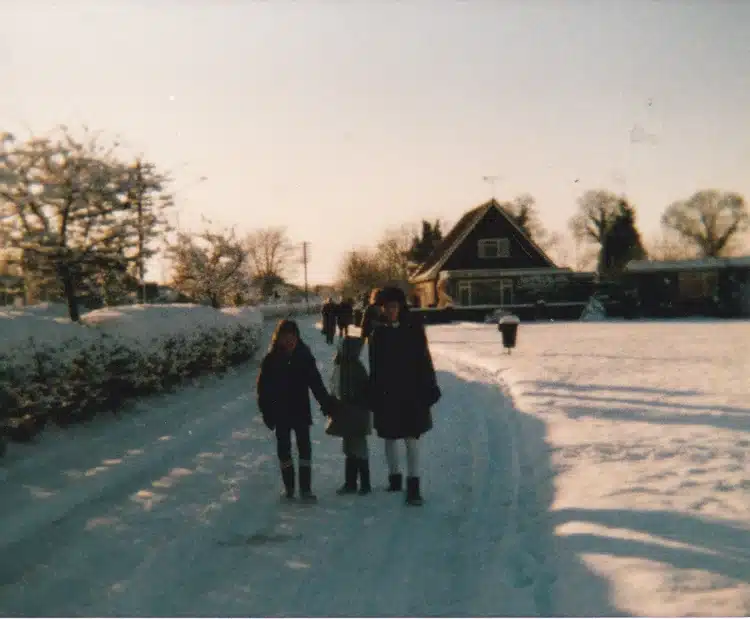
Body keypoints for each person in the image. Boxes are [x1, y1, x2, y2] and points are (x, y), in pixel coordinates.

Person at [368, 286, 441, 506]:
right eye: (386, 307)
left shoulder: (414, 330)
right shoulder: (377, 334)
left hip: (411, 391)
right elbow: (375, 367)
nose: (390, 311)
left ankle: (414, 485)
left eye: (393, 307)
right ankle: (394, 477)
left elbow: (425, 360)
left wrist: (430, 385)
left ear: (400, 307)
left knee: (411, 438)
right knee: (389, 436)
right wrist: (374, 393)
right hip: (388, 393)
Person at [257, 319, 338, 502]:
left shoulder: (304, 356)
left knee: (305, 449)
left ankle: (306, 489)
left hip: (300, 410)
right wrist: (267, 412)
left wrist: (326, 403)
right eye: (285, 337)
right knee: (284, 450)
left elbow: (316, 383)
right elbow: (263, 389)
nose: (289, 340)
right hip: (280, 412)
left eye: (292, 336)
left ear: (297, 337)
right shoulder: (271, 360)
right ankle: (290, 488)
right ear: (278, 339)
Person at [325, 336, 372, 495]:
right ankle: (351, 483)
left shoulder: (354, 368)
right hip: (349, 414)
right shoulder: (344, 366)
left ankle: (363, 483)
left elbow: (364, 391)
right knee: (351, 449)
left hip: (356, 415)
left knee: (357, 449)